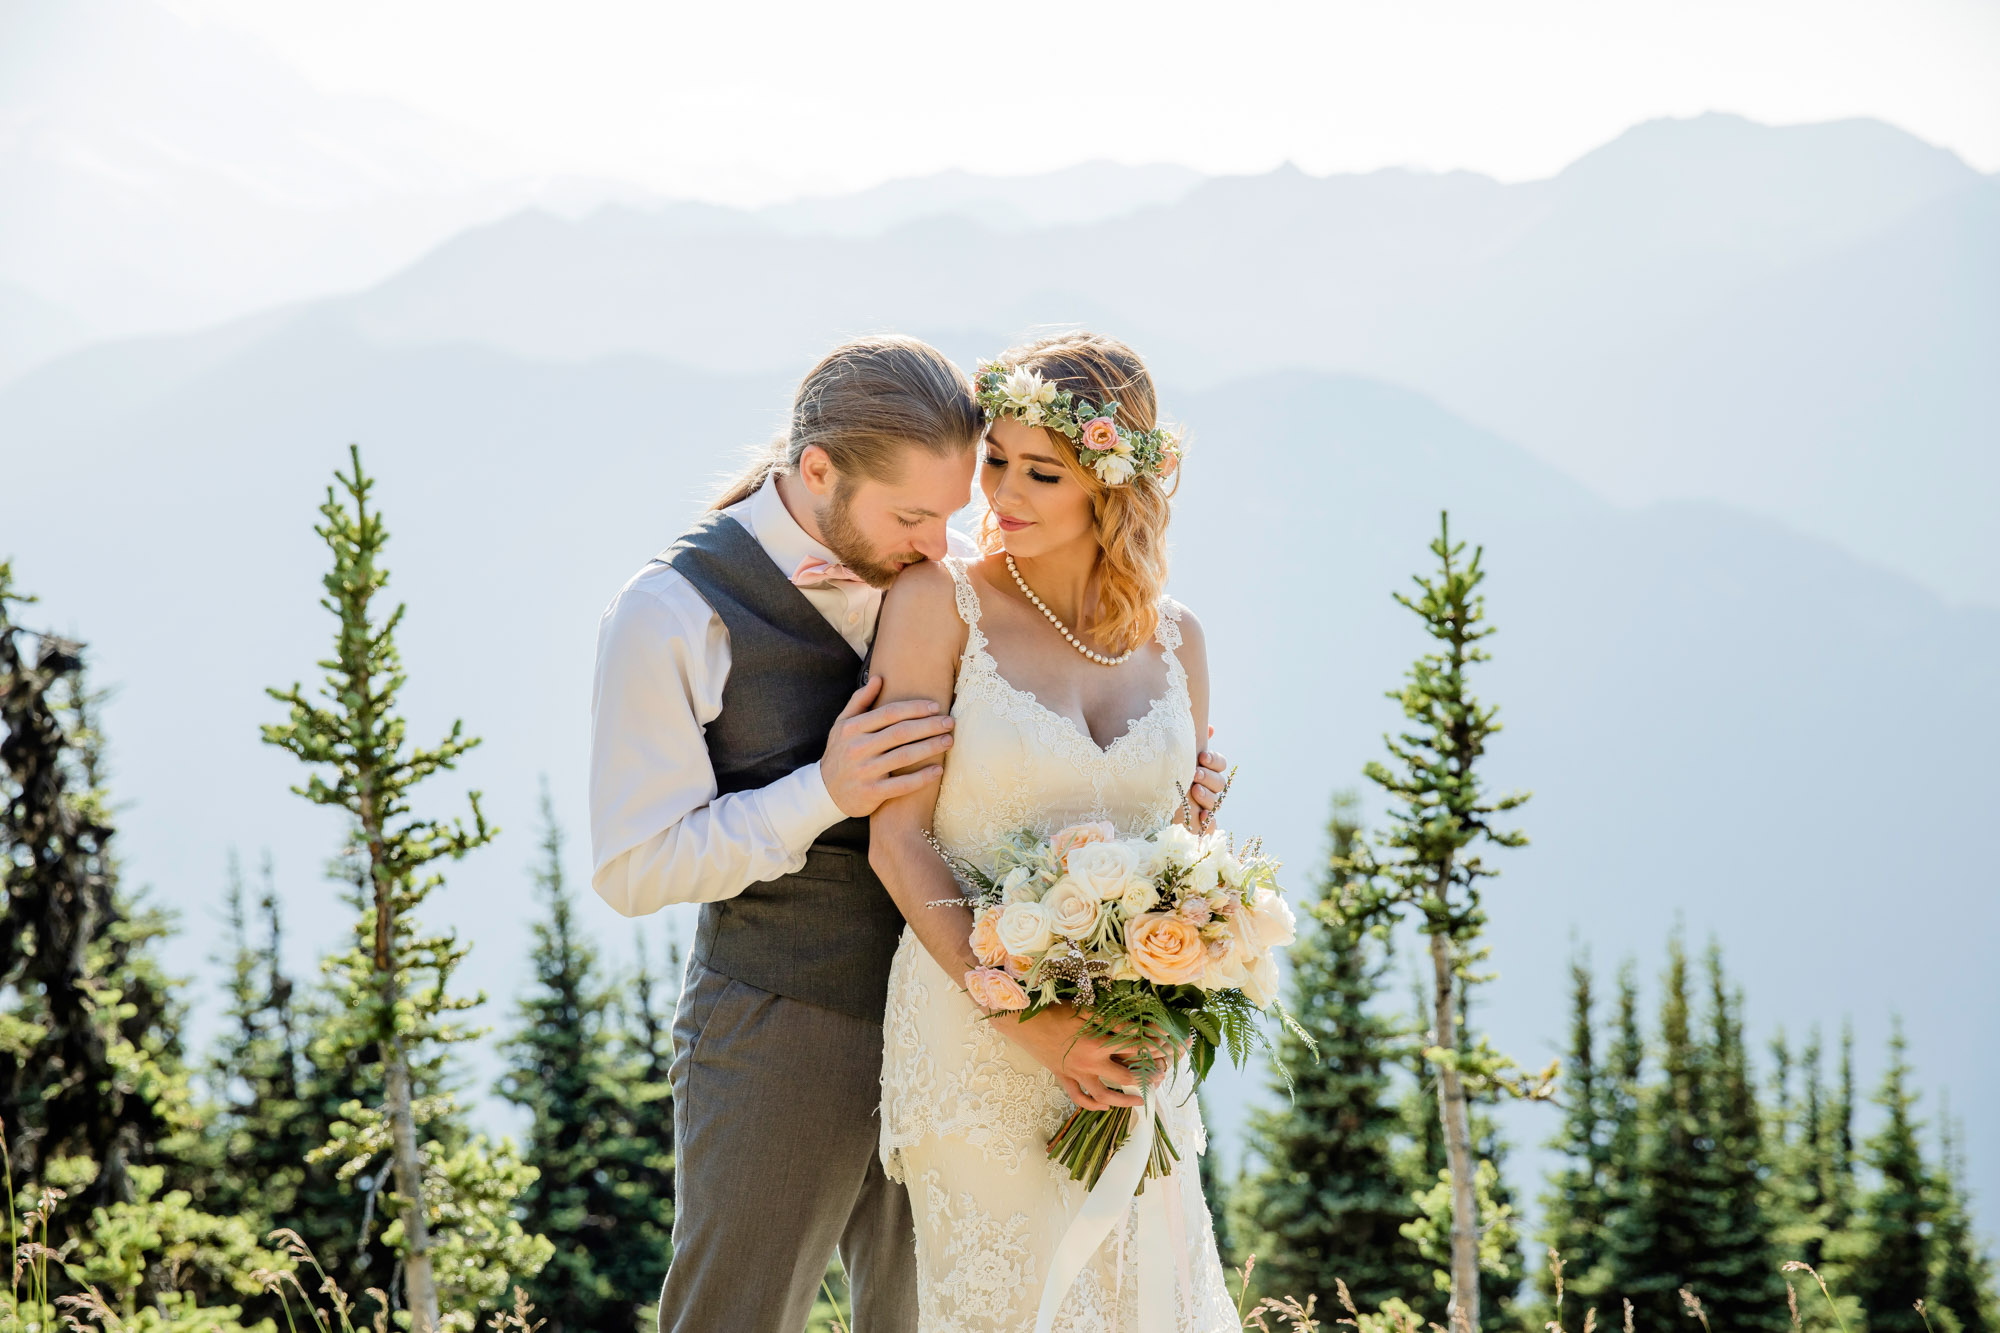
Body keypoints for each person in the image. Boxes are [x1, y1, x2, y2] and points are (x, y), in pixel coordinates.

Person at [587, 334, 1230, 1332]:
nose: (944, 541)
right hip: (788, 1019)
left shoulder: (957, 581)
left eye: (953, 509)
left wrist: (1167, 814)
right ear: (816, 472)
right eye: (915, 516)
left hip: (963, 1024)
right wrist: (823, 789)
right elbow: (631, 869)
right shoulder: (672, 613)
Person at [868, 331, 1239, 1331]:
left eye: (1042, 471)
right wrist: (1034, 1027)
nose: (1002, 494)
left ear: (1111, 486)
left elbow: (1174, 848)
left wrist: (1196, 849)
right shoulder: (934, 603)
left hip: (1126, 1052)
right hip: (974, 1043)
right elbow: (897, 841)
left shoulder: (1178, 639)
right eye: (993, 460)